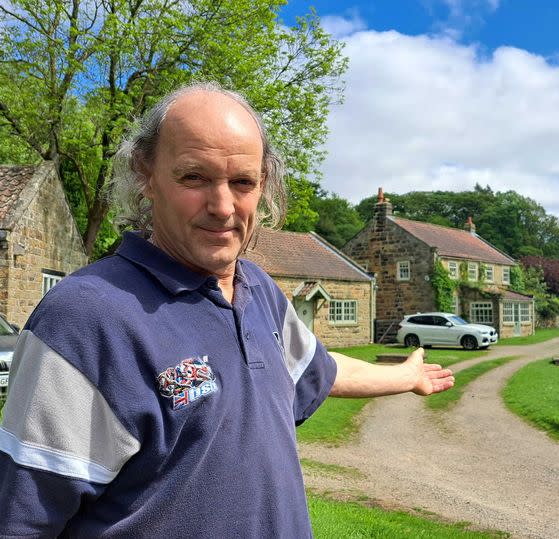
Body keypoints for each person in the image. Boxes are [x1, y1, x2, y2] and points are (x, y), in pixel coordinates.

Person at [0, 83, 454, 538]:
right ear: (146, 175)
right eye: (194, 177)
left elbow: (318, 369)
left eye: (242, 182)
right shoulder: (83, 319)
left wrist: (406, 377)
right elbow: (21, 520)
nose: (222, 207)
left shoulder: (259, 292)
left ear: (263, 185)